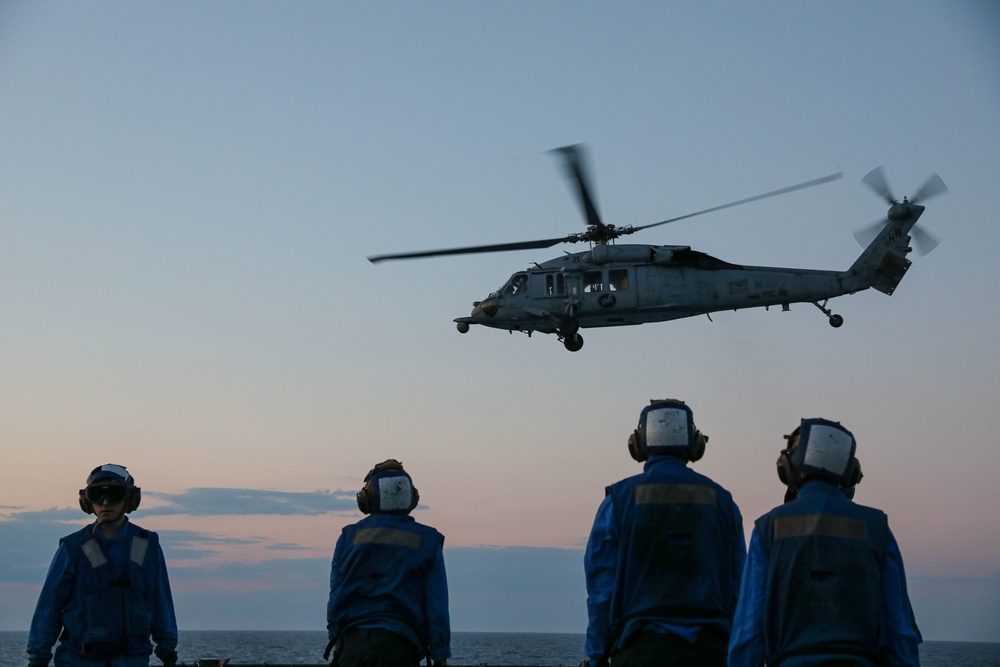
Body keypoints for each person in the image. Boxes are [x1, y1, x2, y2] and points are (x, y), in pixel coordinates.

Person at [728, 418, 922, 666]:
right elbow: (900, 630)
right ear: (850, 473)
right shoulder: (877, 528)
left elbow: (749, 632)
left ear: (787, 468)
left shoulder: (769, 528)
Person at [585, 399, 746, 667]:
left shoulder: (618, 501)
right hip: (711, 651)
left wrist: (597, 655)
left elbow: (602, 591)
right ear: (695, 445)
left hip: (639, 651)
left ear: (637, 445)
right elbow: (738, 588)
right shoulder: (722, 502)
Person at [27, 464, 178, 667]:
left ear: (130, 499)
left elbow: (161, 600)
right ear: (87, 501)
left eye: (114, 494)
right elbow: (49, 606)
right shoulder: (75, 547)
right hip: (79, 661)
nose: (105, 502)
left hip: (132, 660)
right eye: (97, 495)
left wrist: (167, 647)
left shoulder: (144, 545)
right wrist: (38, 658)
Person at [326, 460, 450, 667]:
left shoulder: (348, 537)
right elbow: (436, 606)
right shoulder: (428, 541)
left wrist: (336, 640)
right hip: (401, 650)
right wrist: (440, 655)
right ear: (412, 498)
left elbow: (336, 596)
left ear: (366, 499)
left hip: (352, 649)